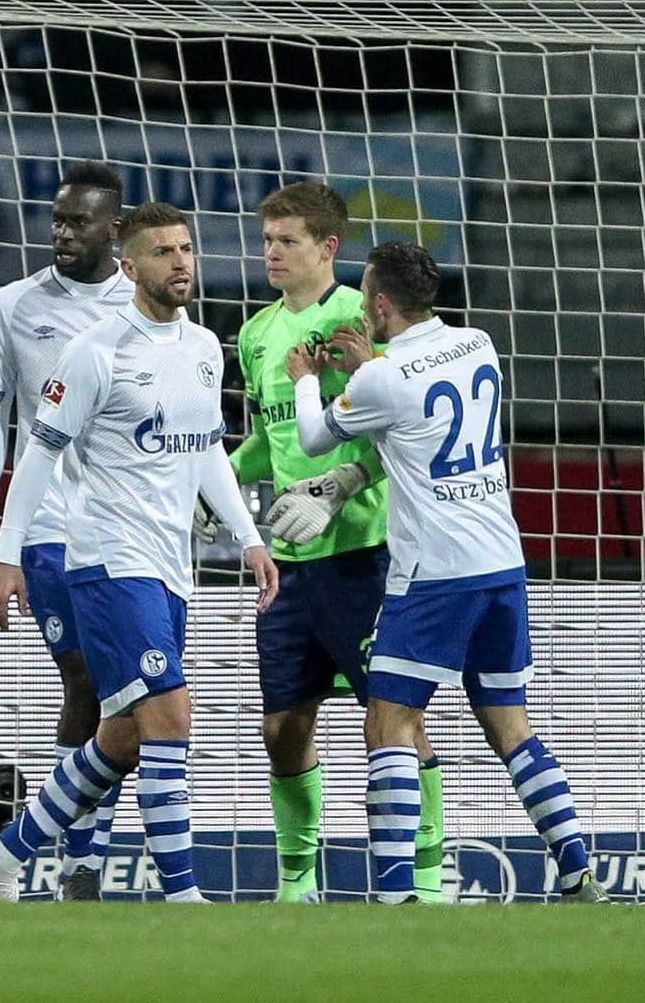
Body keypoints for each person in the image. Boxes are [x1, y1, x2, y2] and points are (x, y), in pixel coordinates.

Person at [0, 201, 279, 902]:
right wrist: (6, 553)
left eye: (187, 248)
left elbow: (207, 452)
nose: (182, 262)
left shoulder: (201, 347)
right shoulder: (97, 351)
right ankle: (185, 897)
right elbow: (40, 454)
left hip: (171, 566)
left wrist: (249, 537)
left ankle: (3, 859)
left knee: (125, 736)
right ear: (130, 266)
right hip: (105, 557)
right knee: (170, 715)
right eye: (164, 252)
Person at [287, 240, 608, 904]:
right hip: (502, 563)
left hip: (434, 571)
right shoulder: (478, 343)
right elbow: (417, 403)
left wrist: (306, 380)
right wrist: (372, 364)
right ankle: (577, 872)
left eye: (365, 297)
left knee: (390, 720)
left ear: (380, 304)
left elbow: (316, 436)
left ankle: (397, 893)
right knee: (510, 726)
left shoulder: (379, 378)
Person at [221, 182, 445, 902]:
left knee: (395, 717)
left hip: (364, 556)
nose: (272, 254)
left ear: (328, 247)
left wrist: (345, 481)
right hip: (289, 566)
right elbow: (270, 439)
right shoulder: (255, 335)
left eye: (287, 241)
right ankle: (298, 878)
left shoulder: (361, 316)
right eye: (267, 241)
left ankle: (429, 875)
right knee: (283, 724)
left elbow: (405, 431)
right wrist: (215, 483)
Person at [0, 161, 132, 900]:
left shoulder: (146, 304)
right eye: (57, 220)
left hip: (134, 525)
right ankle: (79, 863)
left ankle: (79, 858)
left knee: (127, 693)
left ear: (115, 229)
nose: (62, 233)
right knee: (86, 678)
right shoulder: (12, 306)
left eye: (78, 221)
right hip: (50, 524)